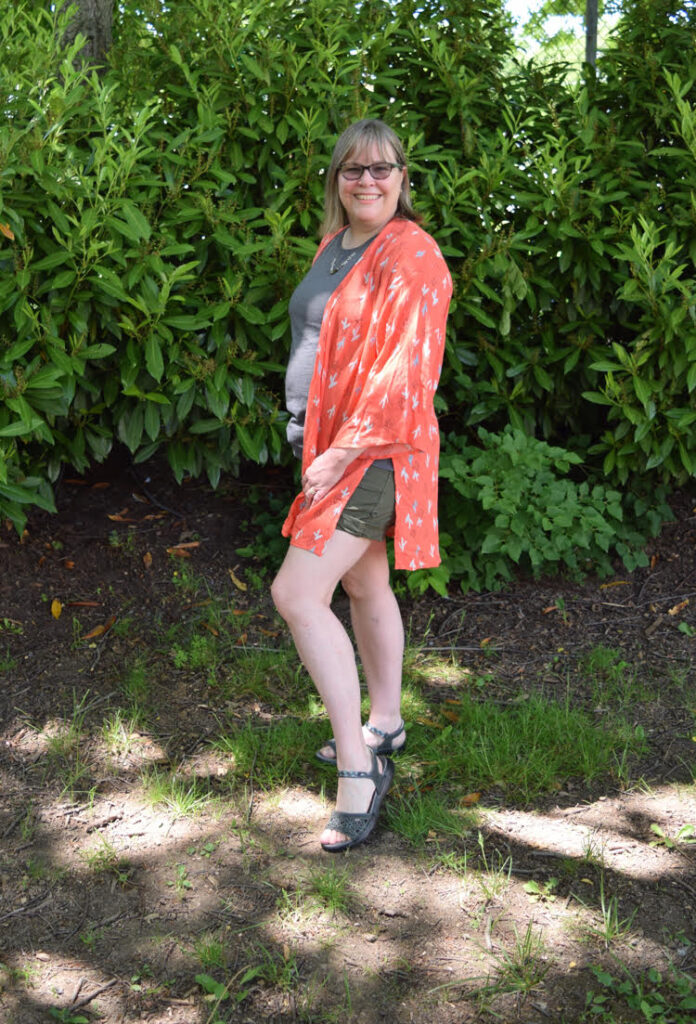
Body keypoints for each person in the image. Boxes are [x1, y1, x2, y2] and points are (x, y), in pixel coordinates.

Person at [271, 119, 452, 853]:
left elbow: (405, 374)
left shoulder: (412, 254)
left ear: (402, 179)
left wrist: (339, 453)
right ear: (336, 181)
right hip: (327, 448)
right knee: (365, 587)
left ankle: (359, 767)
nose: (367, 181)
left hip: (368, 457)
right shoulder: (336, 245)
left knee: (296, 594)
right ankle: (386, 722)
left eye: (381, 170)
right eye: (353, 170)